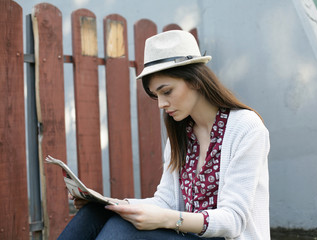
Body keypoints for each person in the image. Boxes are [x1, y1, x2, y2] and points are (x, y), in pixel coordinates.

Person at [58, 30, 270, 240]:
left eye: (166, 91)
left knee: (123, 230)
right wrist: (110, 203)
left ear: (195, 80)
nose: (161, 104)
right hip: (185, 235)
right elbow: (166, 202)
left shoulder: (246, 128)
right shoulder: (183, 134)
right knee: (95, 213)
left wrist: (168, 220)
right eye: (156, 96)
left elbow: (233, 221)